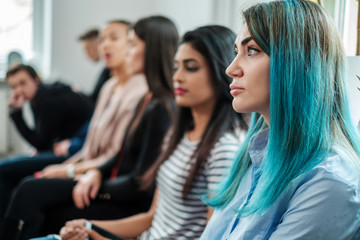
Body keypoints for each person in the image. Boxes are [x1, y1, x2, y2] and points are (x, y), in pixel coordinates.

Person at [60, 25, 249, 240]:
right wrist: (88, 226)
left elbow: (211, 237)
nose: (177, 77)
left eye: (191, 67)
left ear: (219, 71)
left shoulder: (224, 149)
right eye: (176, 67)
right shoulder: (179, 133)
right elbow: (152, 218)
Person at [0, 16, 178, 240]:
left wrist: (77, 173)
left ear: (151, 50)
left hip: (120, 193)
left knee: (31, 192)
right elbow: (112, 152)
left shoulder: (154, 101)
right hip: (100, 175)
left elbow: (134, 176)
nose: (105, 45)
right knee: (28, 187)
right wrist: (87, 171)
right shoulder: (125, 91)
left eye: (130, 43)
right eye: (103, 39)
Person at [199, 1, 360, 239]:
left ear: (298, 62)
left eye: (252, 50)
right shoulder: (254, 157)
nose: (231, 69)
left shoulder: (330, 182)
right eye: (237, 52)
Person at [0, 64, 92, 226]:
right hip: (67, 147)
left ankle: (7, 227)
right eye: (14, 86)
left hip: (75, 152)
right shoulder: (43, 95)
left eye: (23, 83)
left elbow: (40, 142)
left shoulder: (47, 101)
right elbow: (42, 139)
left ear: (36, 80)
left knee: (4, 169)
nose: (19, 90)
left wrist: (16, 113)